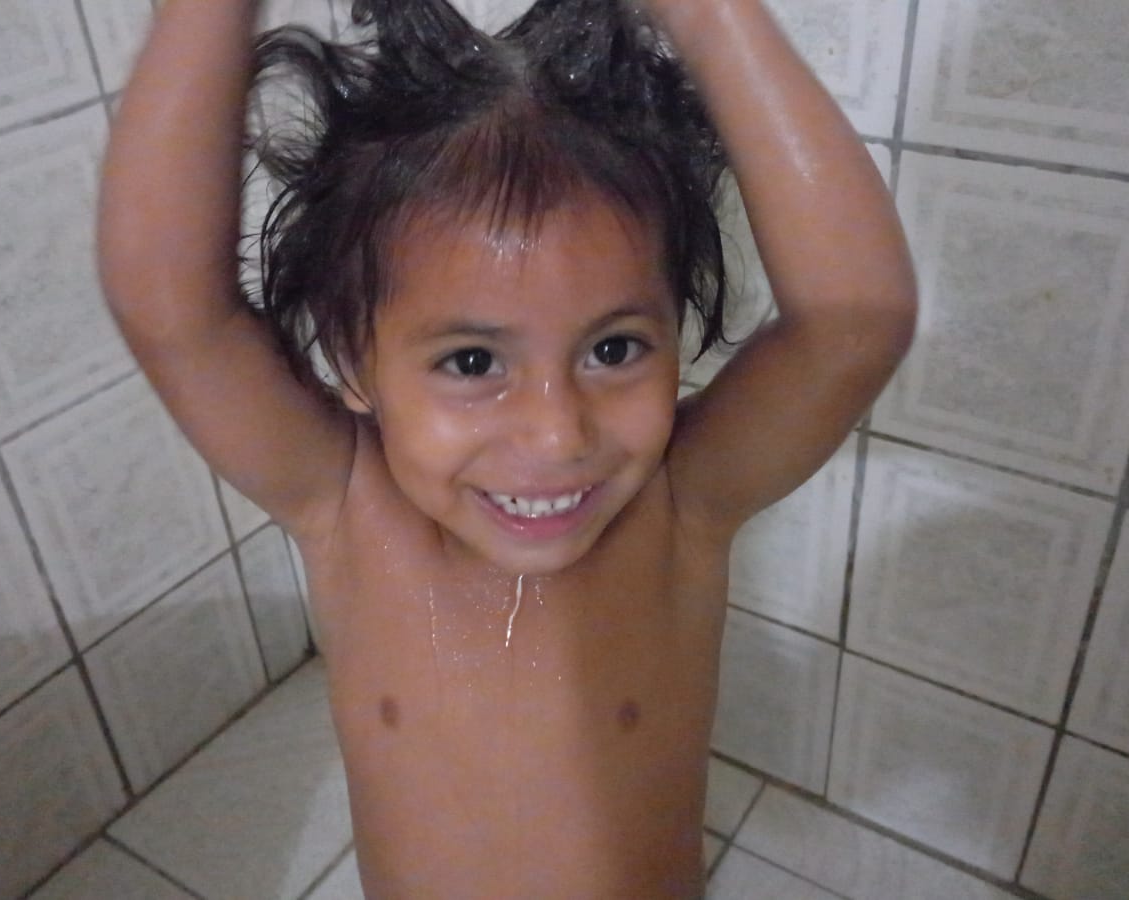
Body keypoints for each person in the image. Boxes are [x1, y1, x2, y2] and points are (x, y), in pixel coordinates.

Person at [99, 0, 916, 895]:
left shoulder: (683, 505)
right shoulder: (341, 502)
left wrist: (710, 17)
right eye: (472, 362)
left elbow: (854, 325)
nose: (558, 435)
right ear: (352, 358)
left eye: (615, 349)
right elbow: (172, 313)